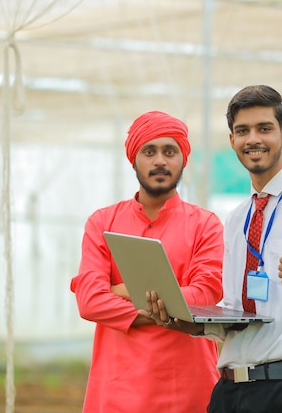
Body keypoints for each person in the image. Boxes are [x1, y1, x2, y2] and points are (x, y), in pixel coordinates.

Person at [149, 85, 282, 413]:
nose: (253, 139)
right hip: (228, 391)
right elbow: (238, 310)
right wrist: (192, 325)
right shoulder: (238, 218)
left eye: (264, 128)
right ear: (232, 140)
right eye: (242, 131)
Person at [70, 110, 224, 413]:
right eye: (149, 151)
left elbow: (205, 296)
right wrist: (170, 306)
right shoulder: (103, 222)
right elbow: (89, 302)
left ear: (183, 159)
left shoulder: (205, 225)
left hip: (189, 389)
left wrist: (120, 290)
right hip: (119, 390)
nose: (160, 161)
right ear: (134, 159)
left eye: (170, 151)